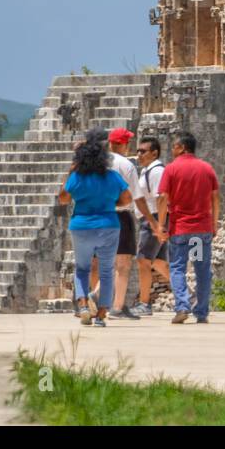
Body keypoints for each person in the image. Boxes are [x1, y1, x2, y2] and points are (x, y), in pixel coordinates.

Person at [59, 129, 131, 327]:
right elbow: (127, 199)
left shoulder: (77, 177)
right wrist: (109, 204)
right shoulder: (112, 176)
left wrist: (70, 171)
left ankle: (83, 305)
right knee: (107, 271)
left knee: (82, 269)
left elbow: (63, 198)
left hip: (81, 225)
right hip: (108, 225)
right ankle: (100, 315)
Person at [157, 131, 218, 325]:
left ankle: (182, 306)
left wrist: (160, 224)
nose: (172, 150)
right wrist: (214, 224)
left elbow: (162, 197)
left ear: (183, 147)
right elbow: (215, 198)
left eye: (175, 146)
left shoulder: (171, 169)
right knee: (201, 269)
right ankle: (201, 311)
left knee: (177, 268)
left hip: (181, 230)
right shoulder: (207, 169)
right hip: (201, 231)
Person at [105, 128, 142, 320]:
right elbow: (136, 195)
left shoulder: (97, 163)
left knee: (105, 262)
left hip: (98, 215)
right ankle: (117, 306)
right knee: (123, 263)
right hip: (120, 215)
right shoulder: (125, 165)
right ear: (122, 144)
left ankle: (98, 298)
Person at [132, 136, 168, 316]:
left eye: (143, 151)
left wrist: (158, 225)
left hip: (153, 220)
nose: (139, 154)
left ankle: (144, 304)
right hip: (153, 220)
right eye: (138, 151)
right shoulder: (148, 170)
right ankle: (189, 296)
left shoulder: (156, 172)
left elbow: (161, 198)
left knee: (143, 261)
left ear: (154, 153)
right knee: (159, 263)